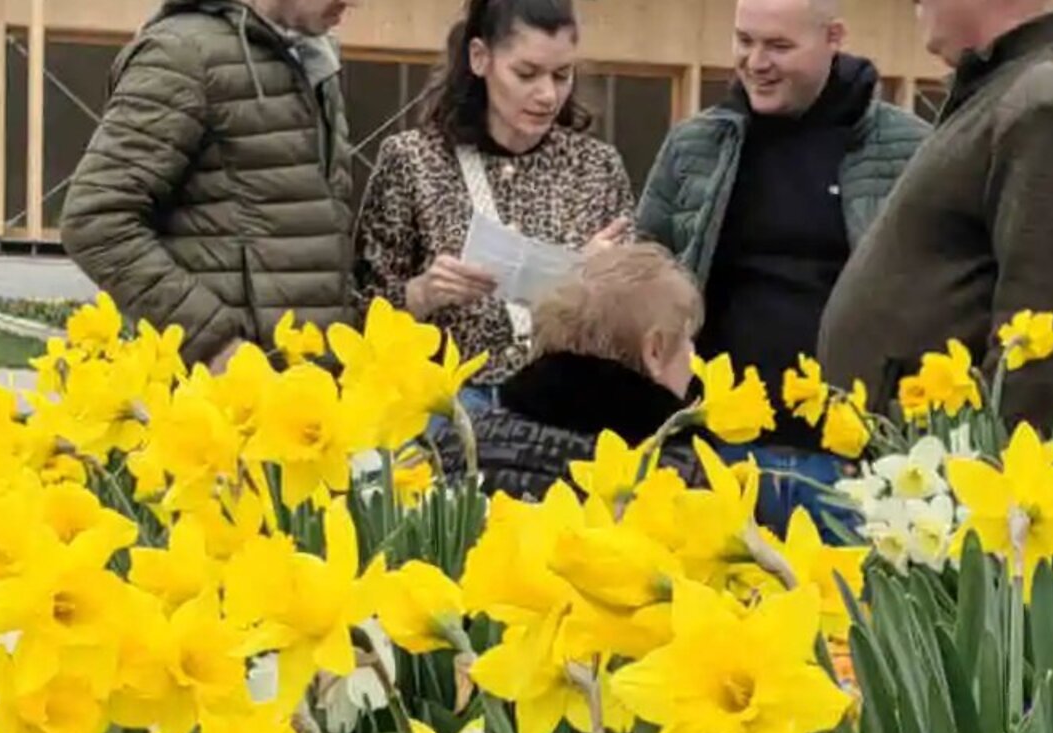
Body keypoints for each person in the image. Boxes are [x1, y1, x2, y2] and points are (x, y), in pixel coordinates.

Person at [636, 0, 928, 533]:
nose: (755, 62)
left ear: (834, 37)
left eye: (778, 46)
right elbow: (645, 273)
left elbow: (936, 295)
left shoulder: (907, 151)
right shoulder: (696, 145)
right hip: (715, 453)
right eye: (744, 41)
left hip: (851, 464)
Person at [817, 0, 1053, 429]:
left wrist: (990, 474)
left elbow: (1043, 340)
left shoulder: (1045, 101)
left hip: (953, 476)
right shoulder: (1003, 90)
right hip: (921, 461)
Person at [355, 0, 635, 421]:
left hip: (562, 412)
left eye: (562, 75)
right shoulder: (412, 161)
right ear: (480, 58)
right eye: (526, 74)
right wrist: (421, 294)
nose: (547, 95)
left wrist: (595, 282)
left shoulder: (597, 167)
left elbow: (635, 318)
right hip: (447, 412)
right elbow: (359, 313)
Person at [62, 0, 359, 370]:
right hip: (224, 408)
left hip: (309, 401)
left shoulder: (315, 63)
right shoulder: (182, 54)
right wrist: (212, 343)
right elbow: (95, 220)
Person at [436, 244, 703, 500]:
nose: (693, 356)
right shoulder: (675, 477)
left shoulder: (456, 444)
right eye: (687, 338)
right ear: (654, 350)